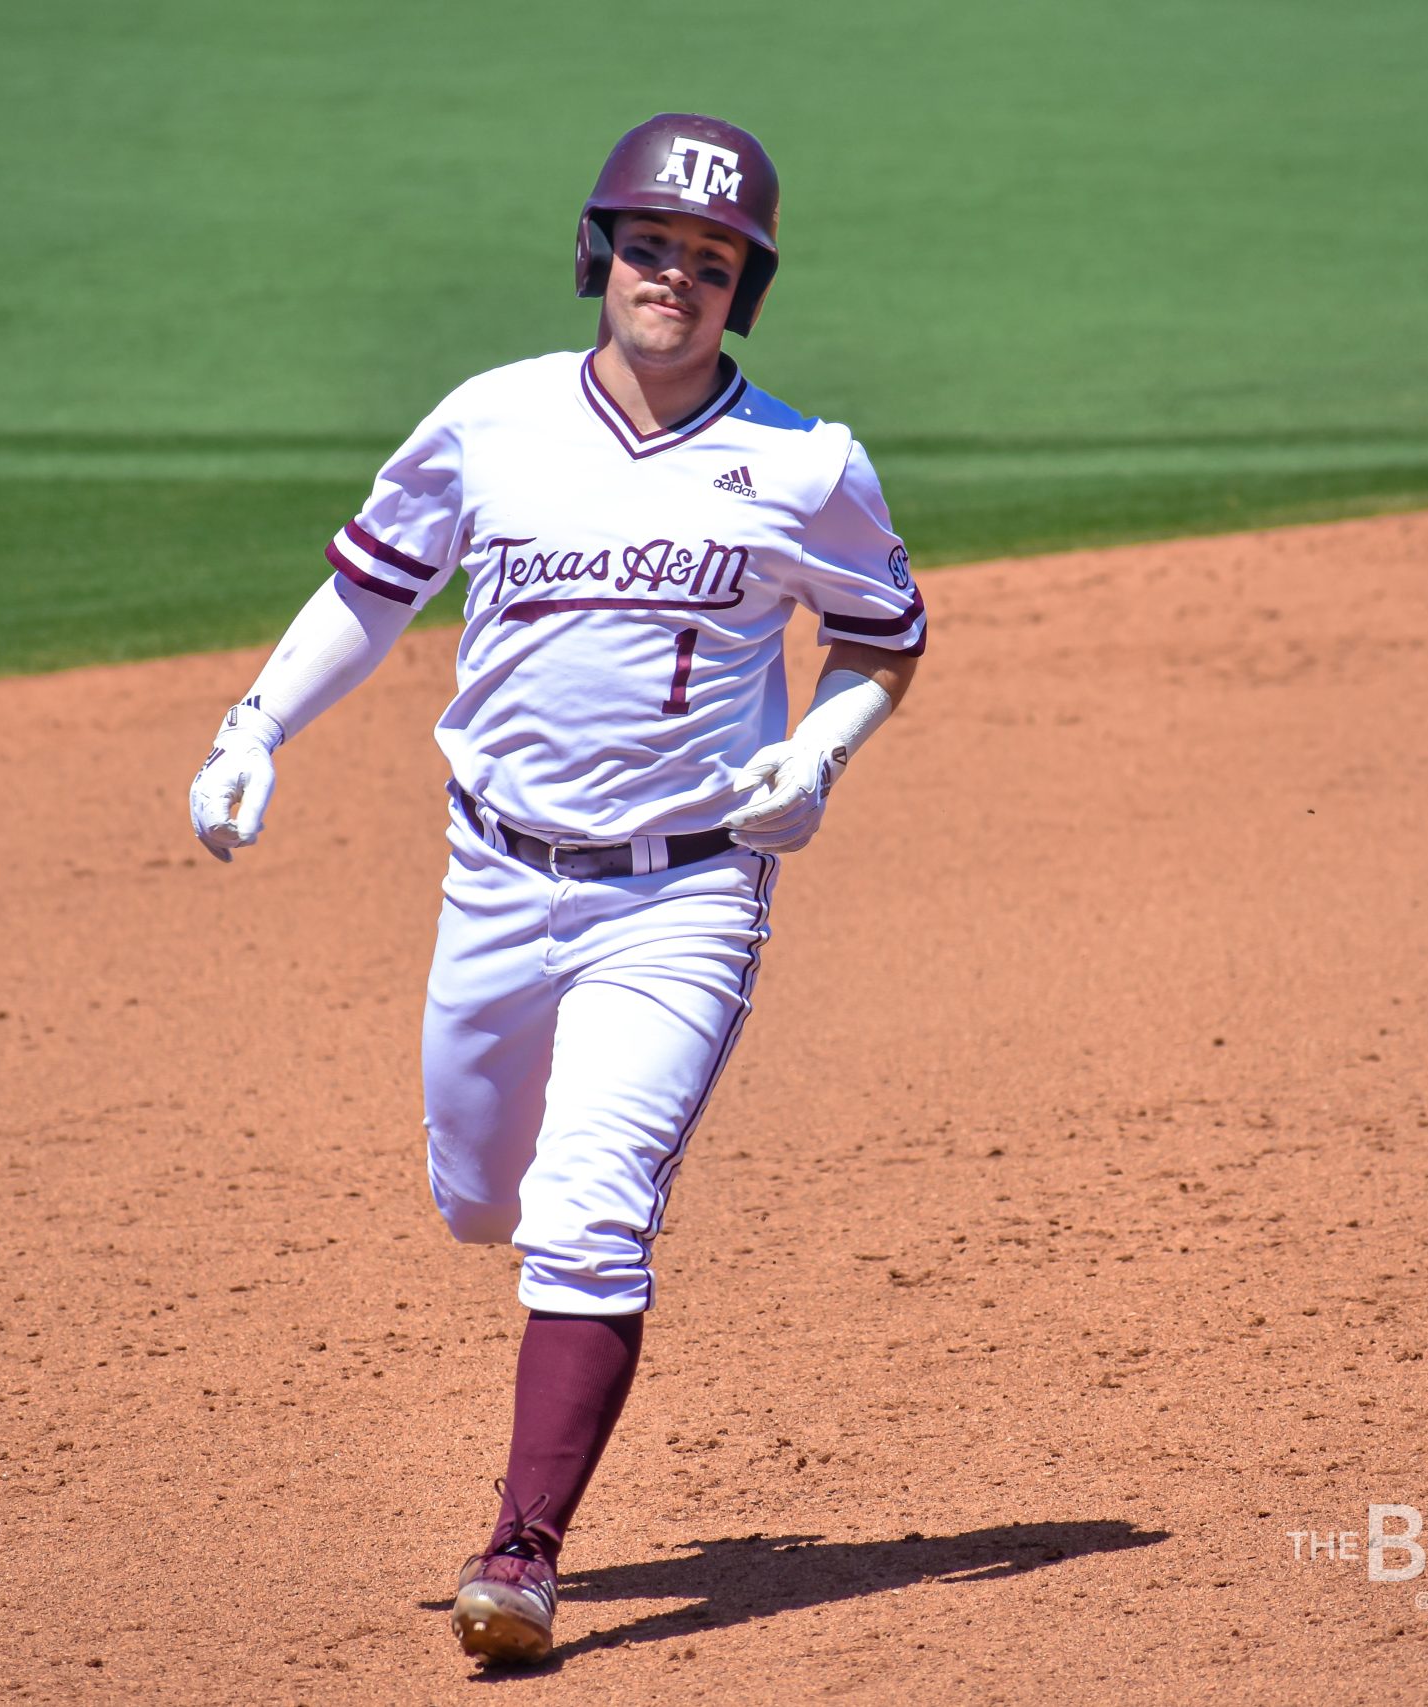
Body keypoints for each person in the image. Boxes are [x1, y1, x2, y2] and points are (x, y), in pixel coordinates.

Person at [185, 112, 925, 1666]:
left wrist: (825, 749)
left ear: (747, 288)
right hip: (494, 882)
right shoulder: (494, 421)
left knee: (587, 1222)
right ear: (603, 253)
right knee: (481, 1202)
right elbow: (371, 591)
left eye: (713, 261)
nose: (677, 278)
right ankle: (544, 1273)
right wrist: (256, 724)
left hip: (685, 899)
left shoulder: (807, 466)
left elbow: (886, 637)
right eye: (653, 246)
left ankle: (522, 1554)